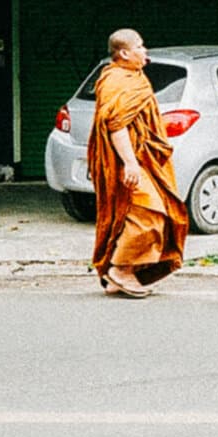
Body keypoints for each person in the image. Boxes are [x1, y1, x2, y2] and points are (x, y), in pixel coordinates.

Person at [88, 29, 189, 299]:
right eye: (140, 47)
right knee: (150, 213)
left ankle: (119, 273)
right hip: (126, 161)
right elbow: (116, 126)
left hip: (145, 158)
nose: (146, 52)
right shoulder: (115, 81)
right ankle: (121, 269)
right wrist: (130, 164)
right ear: (123, 53)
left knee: (130, 216)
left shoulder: (135, 77)